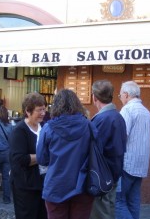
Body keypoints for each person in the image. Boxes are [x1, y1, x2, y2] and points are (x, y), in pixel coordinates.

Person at [36, 89, 96, 219]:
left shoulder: (48, 128)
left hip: (56, 185)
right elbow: (97, 153)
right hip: (83, 185)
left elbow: (42, 159)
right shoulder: (89, 126)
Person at [89, 80, 127, 219]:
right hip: (113, 173)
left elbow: (95, 151)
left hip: (102, 176)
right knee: (109, 212)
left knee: (101, 214)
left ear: (94, 97)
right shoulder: (118, 116)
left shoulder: (102, 119)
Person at [115, 81, 150, 219]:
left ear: (126, 94)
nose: (120, 98)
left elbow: (121, 136)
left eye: (120, 95)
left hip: (127, 163)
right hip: (141, 164)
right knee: (133, 201)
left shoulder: (127, 110)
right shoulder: (146, 111)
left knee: (118, 201)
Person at [9, 92, 47, 219]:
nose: (43, 113)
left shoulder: (45, 127)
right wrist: (43, 156)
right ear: (28, 111)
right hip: (25, 185)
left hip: (43, 183)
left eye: (44, 109)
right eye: (39, 110)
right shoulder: (19, 131)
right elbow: (20, 159)